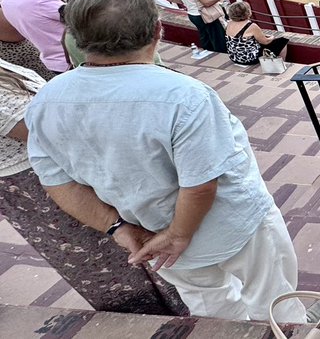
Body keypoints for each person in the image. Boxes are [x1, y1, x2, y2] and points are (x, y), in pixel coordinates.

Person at [25, 0, 304, 322]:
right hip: (231, 227)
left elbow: (57, 182)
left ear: (77, 38)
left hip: (151, 234)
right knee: (276, 302)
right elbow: (200, 183)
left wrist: (118, 229)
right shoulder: (184, 96)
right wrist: (179, 235)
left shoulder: (46, 101)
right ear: (158, 31)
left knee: (212, 310)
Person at [0, 58, 187, 315]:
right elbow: (44, 132)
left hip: (69, 167)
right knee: (113, 268)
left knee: (141, 249)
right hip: (41, 186)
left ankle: (176, 309)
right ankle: (158, 319)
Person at [1, 0, 69, 74]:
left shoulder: (7, 2)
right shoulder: (42, 2)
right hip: (70, 58)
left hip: (53, 63)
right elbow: (82, 18)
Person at [224, 2, 289, 66]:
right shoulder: (251, 26)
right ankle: (281, 64)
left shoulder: (229, 23)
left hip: (235, 58)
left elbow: (241, 39)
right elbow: (265, 42)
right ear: (247, 12)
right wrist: (272, 37)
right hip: (249, 59)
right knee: (283, 41)